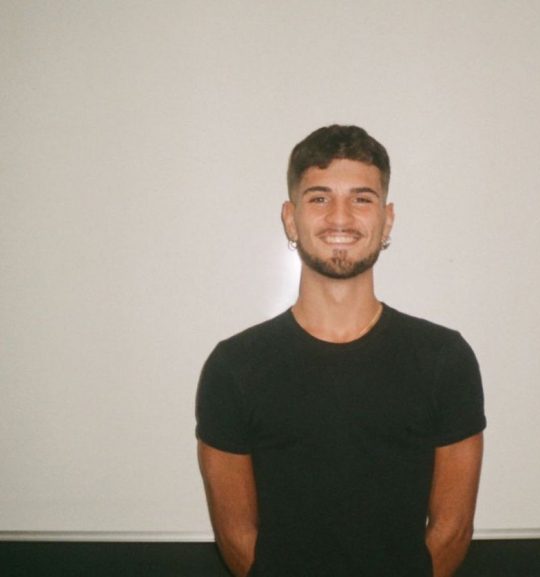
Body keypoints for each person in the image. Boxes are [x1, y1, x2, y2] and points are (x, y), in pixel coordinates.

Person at [196, 125, 486, 577]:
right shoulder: (233, 367)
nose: (340, 217)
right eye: (319, 198)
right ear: (290, 218)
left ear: (387, 219)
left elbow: (453, 530)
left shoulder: (444, 360)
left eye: (361, 199)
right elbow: (236, 538)